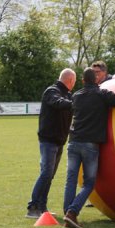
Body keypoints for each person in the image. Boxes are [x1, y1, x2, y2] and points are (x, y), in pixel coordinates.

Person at [62, 67, 115, 228]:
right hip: (90, 144)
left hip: (73, 142)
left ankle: (68, 214)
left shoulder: (76, 96)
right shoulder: (102, 94)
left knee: (70, 180)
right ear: (96, 80)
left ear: (82, 81)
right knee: (89, 183)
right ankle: (72, 213)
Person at [26, 68, 76, 219]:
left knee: (50, 175)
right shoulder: (52, 91)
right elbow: (58, 103)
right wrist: (75, 103)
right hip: (48, 140)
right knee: (46, 173)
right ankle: (32, 207)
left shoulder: (68, 95)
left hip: (59, 140)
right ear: (70, 81)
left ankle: (42, 207)